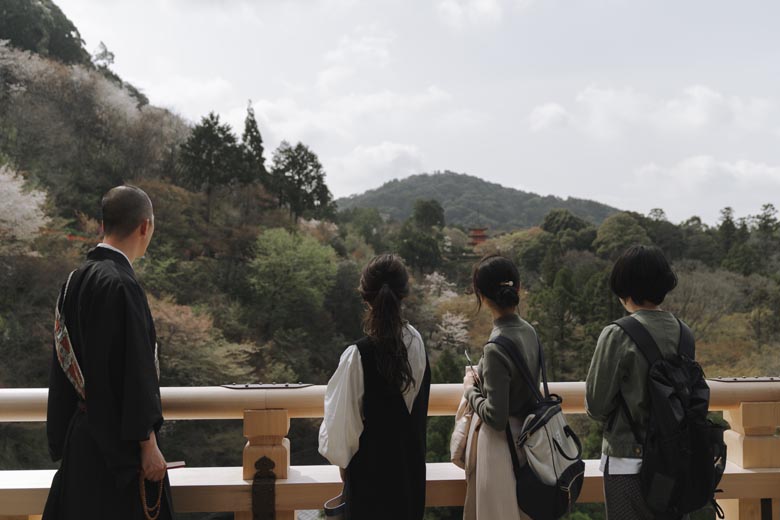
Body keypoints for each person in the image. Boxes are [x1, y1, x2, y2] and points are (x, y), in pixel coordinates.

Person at [43, 185, 173, 520]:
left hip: (81, 438)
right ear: (145, 226)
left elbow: (62, 364)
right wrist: (148, 445)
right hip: (119, 452)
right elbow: (134, 369)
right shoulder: (121, 285)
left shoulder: (75, 280)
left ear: (103, 225)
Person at [318, 254, 431, 520]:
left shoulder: (358, 355)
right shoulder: (417, 343)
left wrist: (344, 466)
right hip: (411, 479)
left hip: (370, 485)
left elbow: (341, 433)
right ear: (403, 294)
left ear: (365, 296)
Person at [585, 245, 681, 519]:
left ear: (623, 287)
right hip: (676, 459)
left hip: (627, 459)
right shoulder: (683, 332)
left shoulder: (617, 334)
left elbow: (596, 405)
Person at [462, 254, 538, 520]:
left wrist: (470, 389)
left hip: (501, 449)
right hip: (531, 443)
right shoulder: (529, 331)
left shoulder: (495, 347)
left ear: (481, 295)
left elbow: (495, 416)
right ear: (517, 288)